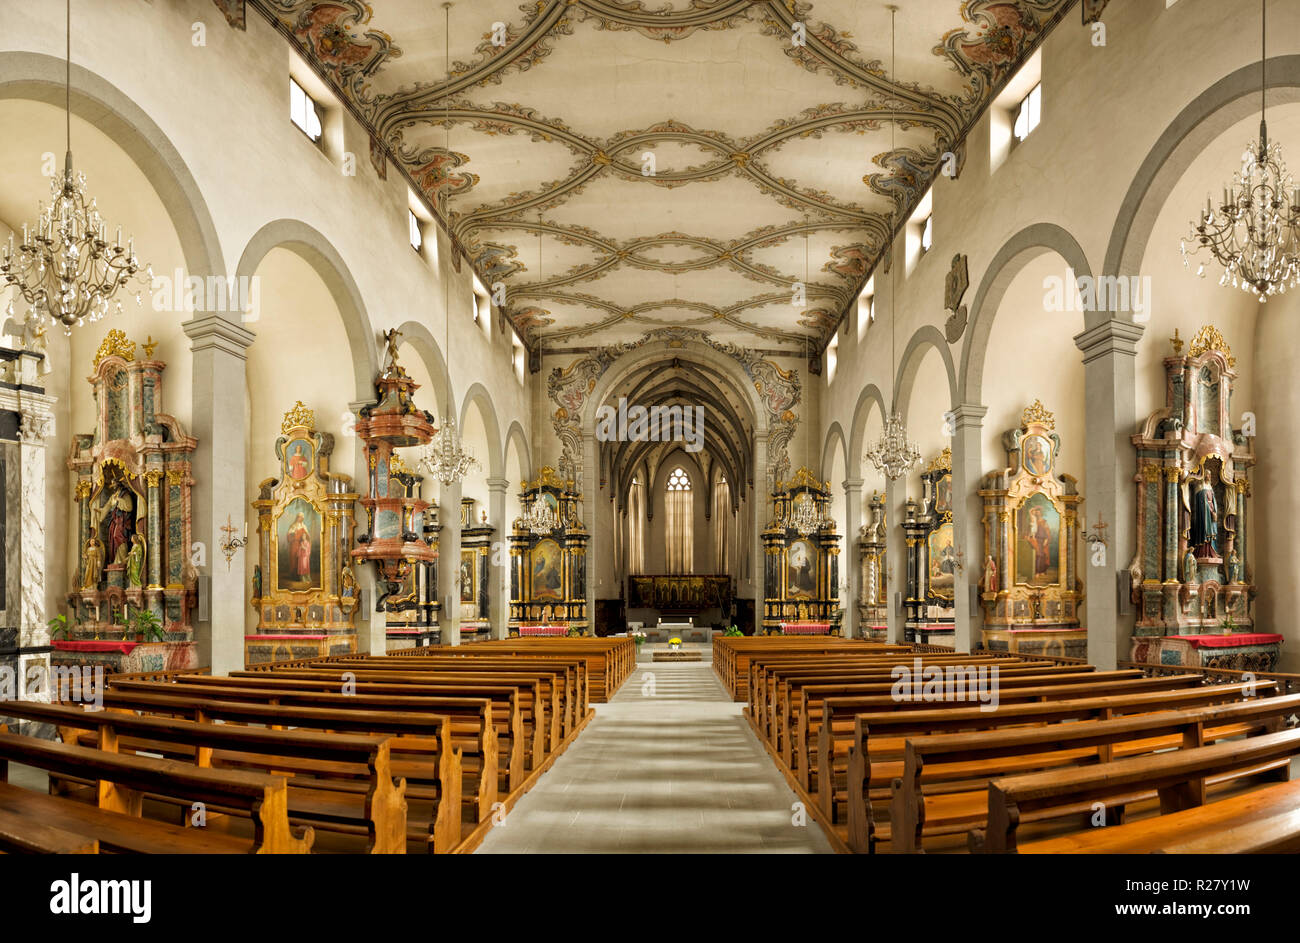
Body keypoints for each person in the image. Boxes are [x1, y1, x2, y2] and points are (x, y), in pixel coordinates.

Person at [1026, 506, 1051, 580]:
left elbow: (1047, 531)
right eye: (1036, 511)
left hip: (1043, 540)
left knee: (1043, 555)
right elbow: (1030, 529)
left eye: (1038, 511)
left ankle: (1042, 571)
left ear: (1041, 513)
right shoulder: (1034, 520)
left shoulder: (1044, 521)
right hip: (1036, 539)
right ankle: (1037, 572)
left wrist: (1046, 539)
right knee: (1038, 555)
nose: (1037, 512)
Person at [286, 511, 312, 581]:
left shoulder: (304, 526)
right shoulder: (293, 526)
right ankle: (294, 575)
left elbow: (307, 536)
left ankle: (301, 575)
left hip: (301, 545)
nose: (301, 519)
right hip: (294, 545)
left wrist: (307, 541)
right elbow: (288, 536)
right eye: (299, 517)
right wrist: (294, 535)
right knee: (294, 559)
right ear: (297, 518)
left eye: (302, 518)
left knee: (301, 561)